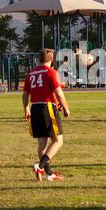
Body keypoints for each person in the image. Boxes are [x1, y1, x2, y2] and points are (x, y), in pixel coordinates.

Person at [23, 49, 70, 183]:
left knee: (42, 143)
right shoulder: (51, 72)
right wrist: (65, 107)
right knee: (58, 141)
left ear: (38, 59)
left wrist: (26, 108)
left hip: (35, 108)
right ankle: (40, 166)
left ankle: (49, 174)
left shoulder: (31, 73)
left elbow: (25, 94)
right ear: (51, 59)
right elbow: (59, 93)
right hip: (47, 108)